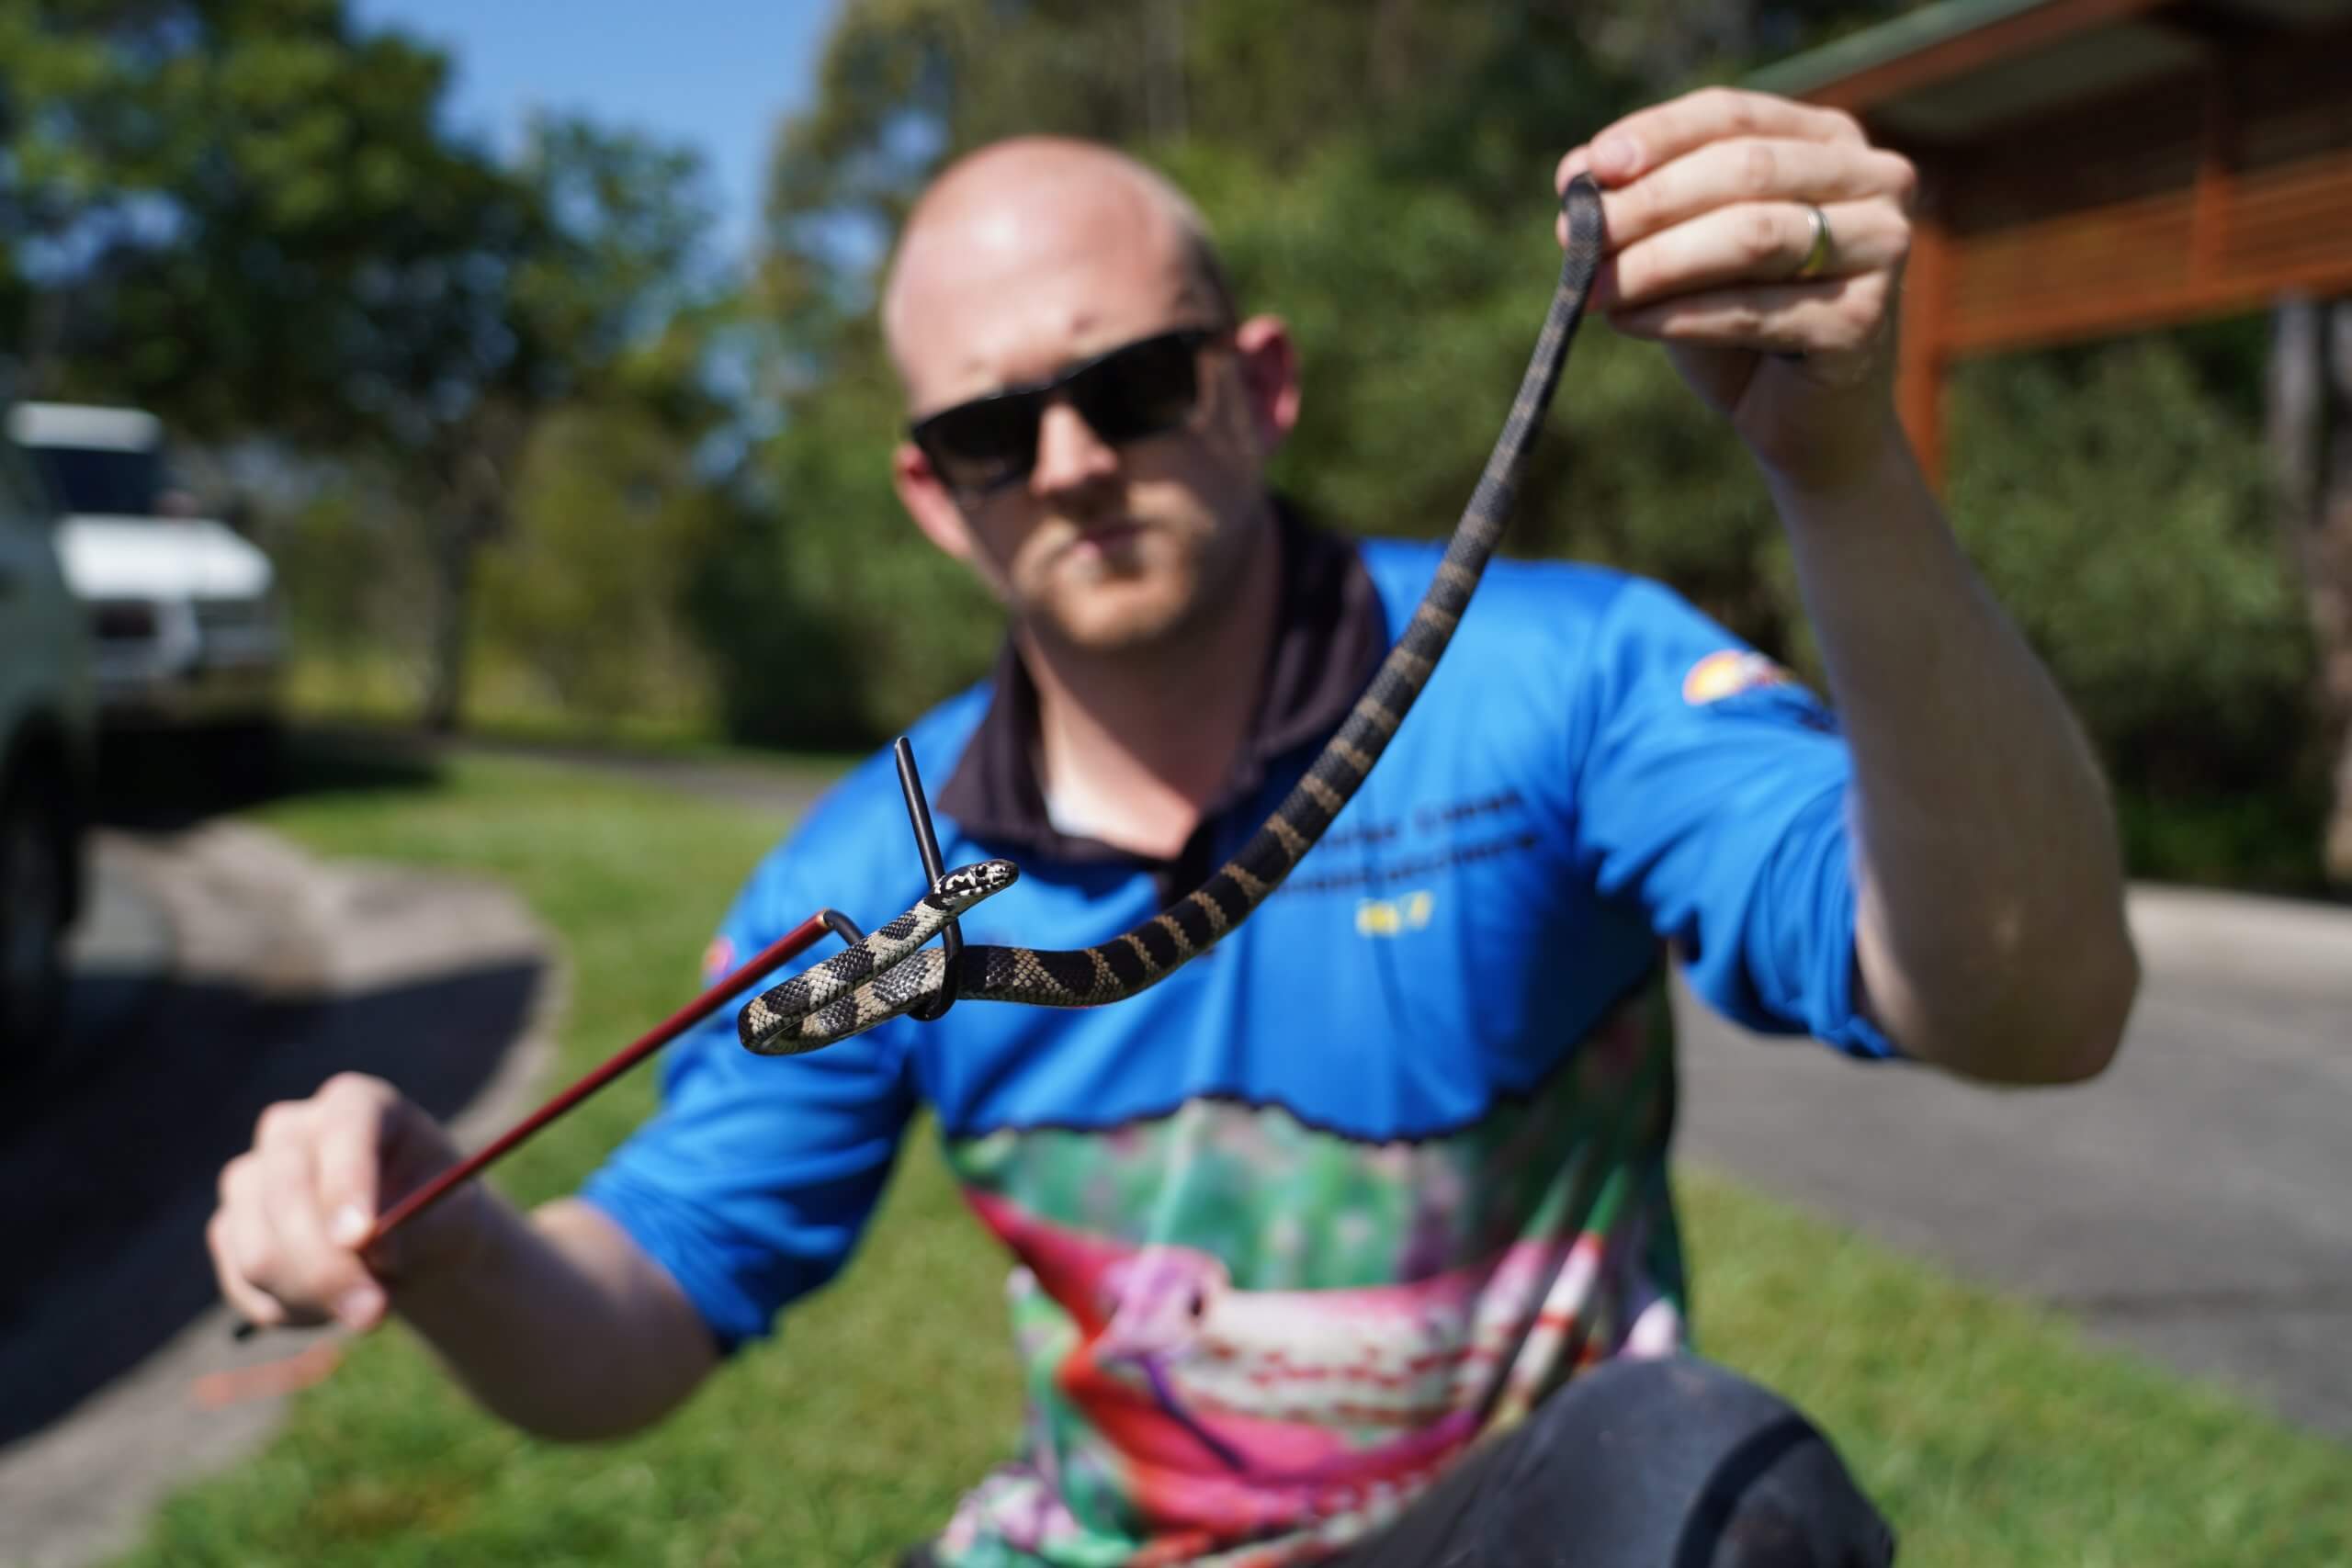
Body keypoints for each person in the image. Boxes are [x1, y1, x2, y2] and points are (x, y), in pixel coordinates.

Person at [208, 87, 2138, 1567]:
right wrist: (452, 1232)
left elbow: (2026, 1003)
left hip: (1518, 1530)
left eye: (1129, 384)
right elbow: (633, 1327)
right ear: (928, 491)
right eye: (991, 430)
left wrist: (1842, 469)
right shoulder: (869, 878)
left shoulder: (1561, 677)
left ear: (1258, 384)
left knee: (1711, 1474)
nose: (1067, 463)